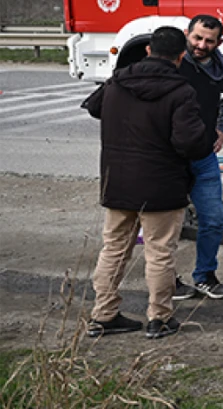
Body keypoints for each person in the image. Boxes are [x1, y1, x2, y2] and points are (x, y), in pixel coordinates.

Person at [83, 26, 209, 340]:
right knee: (160, 253)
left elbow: (94, 107)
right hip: (161, 186)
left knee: (113, 249)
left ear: (149, 51)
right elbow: (190, 144)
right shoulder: (181, 91)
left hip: (117, 182)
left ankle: (103, 315)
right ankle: (160, 318)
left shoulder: (116, 81)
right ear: (181, 57)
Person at [174, 15, 223, 300]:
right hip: (170, 158)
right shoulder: (173, 63)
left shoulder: (221, 67)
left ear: (219, 42)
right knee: (167, 225)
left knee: (213, 220)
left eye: (208, 41)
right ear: (186, 34)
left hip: (204, 156)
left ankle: (204, 276)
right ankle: (167, 280)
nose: (201, 45)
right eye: (197, 38)